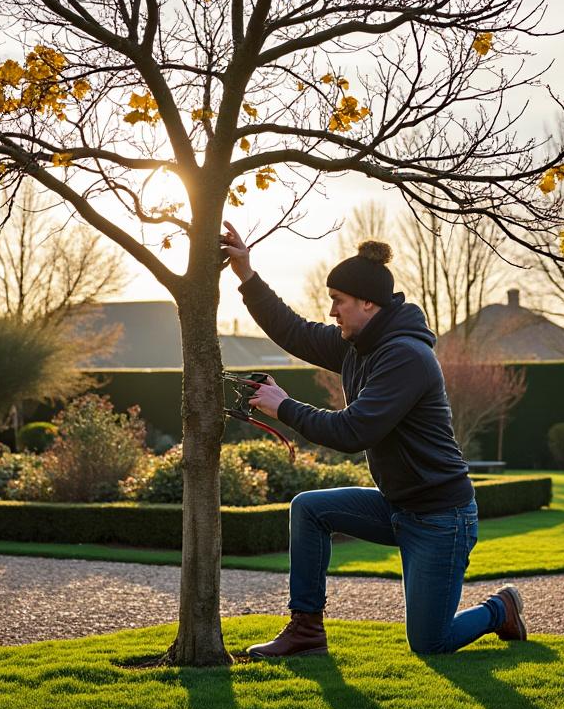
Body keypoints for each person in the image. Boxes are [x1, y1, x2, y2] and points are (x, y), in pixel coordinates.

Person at [219, 221, 527, 658]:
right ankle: (306, 630)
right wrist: (246, 274)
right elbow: (292, 331)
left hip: (441, 519)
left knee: (430, 643)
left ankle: (501, 609)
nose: (332, 312)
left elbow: (352, 431)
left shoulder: (405, 356)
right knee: (309, 509)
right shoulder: (356, 345)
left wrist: (284, 406)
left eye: (338, 302)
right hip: (396, 505)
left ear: (368, 302)